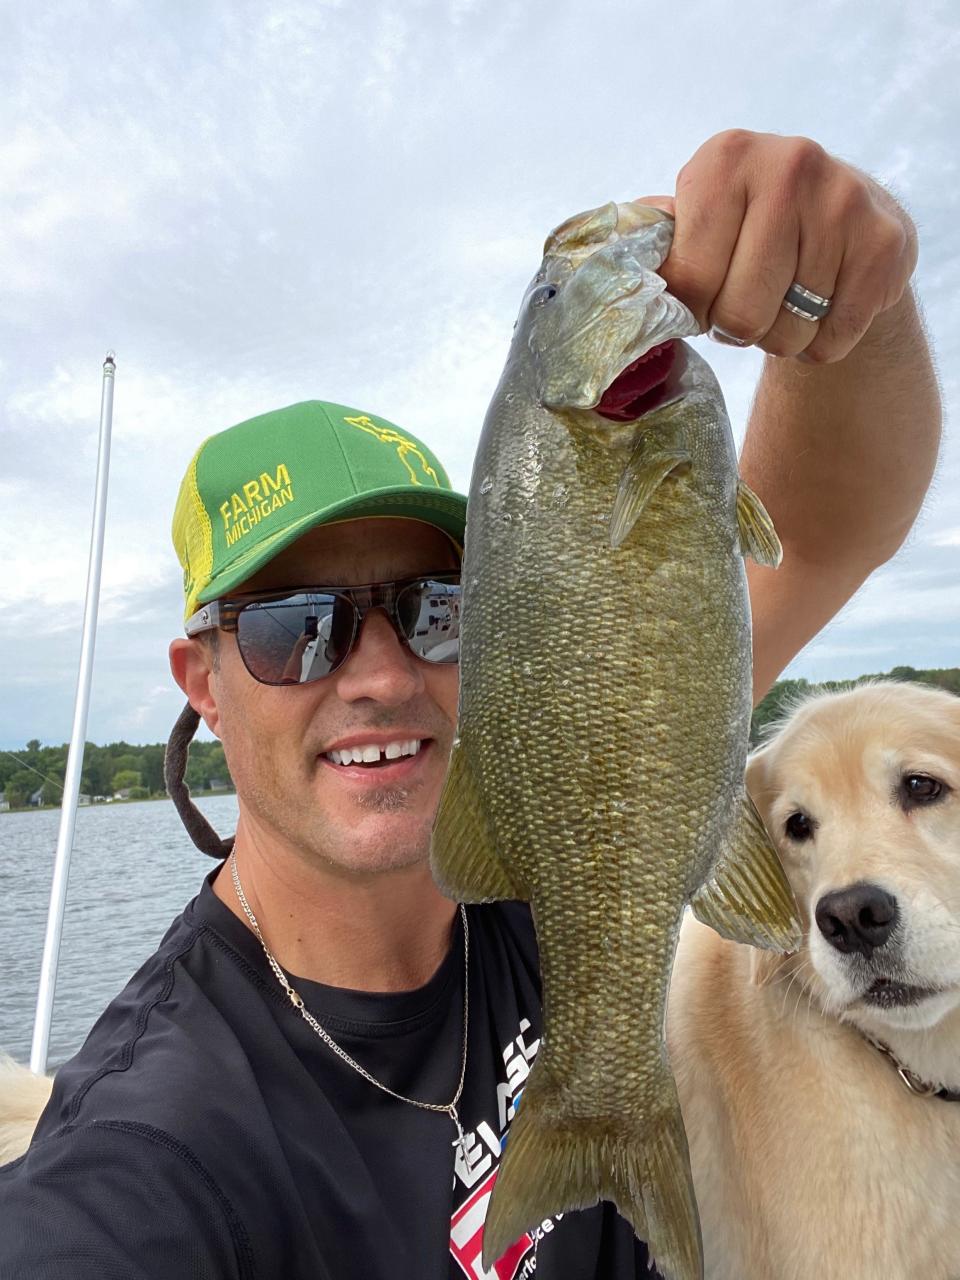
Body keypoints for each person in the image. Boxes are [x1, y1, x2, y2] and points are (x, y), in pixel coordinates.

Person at [0, 130, 941, 1279]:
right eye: (293, 627)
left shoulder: (580, 790)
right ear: (201, 677)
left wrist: (855, 294)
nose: (383, 673)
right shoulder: (158, 1144)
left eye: (433, 607)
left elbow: (829, 524)